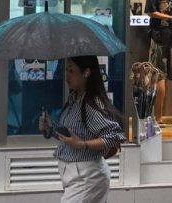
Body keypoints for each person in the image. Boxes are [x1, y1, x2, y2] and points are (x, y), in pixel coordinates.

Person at [38, 55, 125, 203]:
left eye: (71, 70)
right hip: (74, 176)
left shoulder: (91, 104)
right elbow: (71, 137)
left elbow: (114, 135)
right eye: (66, 70)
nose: (67, 75)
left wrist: (82, 144)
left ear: (86, 73)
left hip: (87, 177)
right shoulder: (73, 101)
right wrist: (50, 129)